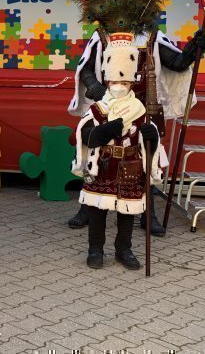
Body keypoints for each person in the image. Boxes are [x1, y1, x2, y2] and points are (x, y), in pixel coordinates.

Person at [66, 27, 205, 234]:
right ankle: (88, 209)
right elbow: (85, 68)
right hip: (107, 106)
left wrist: (195, 47)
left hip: (141, 109)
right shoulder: (102, 36)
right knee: (97, 157)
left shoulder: (152, 37)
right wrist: (94, 86)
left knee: (144, 160)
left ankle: (147, 214)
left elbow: (177, 64)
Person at [71, 33, 165, 270]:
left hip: (131, 166)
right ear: (107, 82)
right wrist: (108, 129)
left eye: (123, 84)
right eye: (114, 83)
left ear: (132, 83)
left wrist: (152, 138)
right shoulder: (97, 109)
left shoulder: (141, 110)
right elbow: (86, 136)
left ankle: (124, 249)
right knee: (97, 211)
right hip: (102, 164)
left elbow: (147, 142)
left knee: (127, 210)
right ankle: (95, 249)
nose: (119, 87)